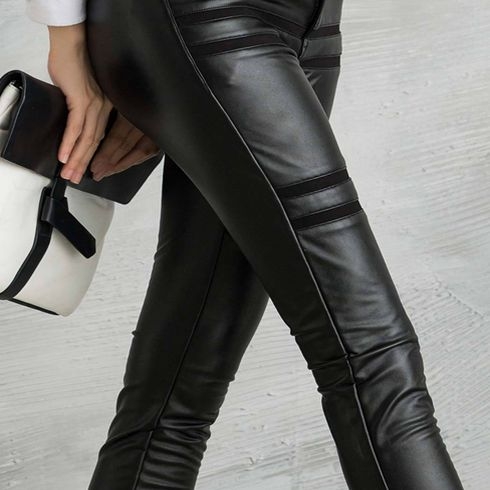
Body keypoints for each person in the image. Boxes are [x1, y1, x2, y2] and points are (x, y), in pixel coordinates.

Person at [25, 1, 466, 489]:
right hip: (202, 16)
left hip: (309, 27)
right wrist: (69, 38)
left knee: (173, 404)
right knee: (373, 358)